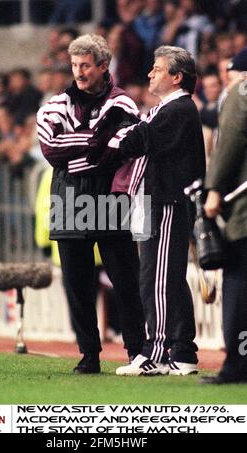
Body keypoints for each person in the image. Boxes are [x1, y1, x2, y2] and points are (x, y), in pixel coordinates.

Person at [36, 34, 145, 374]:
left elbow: (122, 147)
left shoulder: (123, 103)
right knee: (77, 284)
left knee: (125, 280)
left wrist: (82, 153)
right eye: (74, 65)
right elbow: (51, 150)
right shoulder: (56, 103)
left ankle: (137, 352)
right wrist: (95, 143)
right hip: (68, 197)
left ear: (103, 66)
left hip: (112, 196)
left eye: (85, 65)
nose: (78, 72)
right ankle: (89, 355)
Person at [108, 45, 206, 376]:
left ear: (177, 77)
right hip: (155, 201)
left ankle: (158, 352)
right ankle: (183, 352)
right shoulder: (169, 109)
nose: (150, 73)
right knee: (169, 279)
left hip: (166, 203)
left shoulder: (178, 110)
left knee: (157, 279)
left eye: (158, 69)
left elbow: (136, 140)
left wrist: (118, 136)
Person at [202, 48, 247, 384]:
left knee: (239, 287)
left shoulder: (239, 94)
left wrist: (214, 189)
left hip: (243, 211)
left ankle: (237, 363)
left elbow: (228, 141)